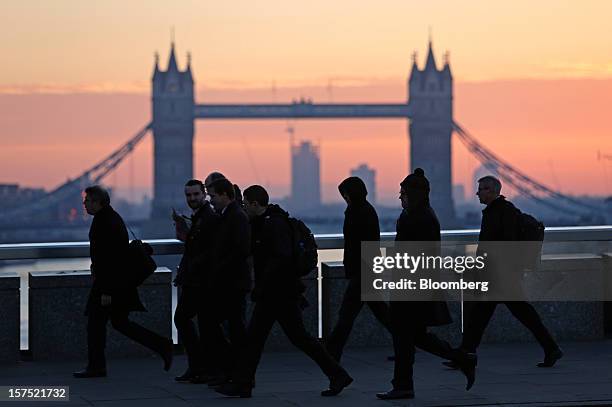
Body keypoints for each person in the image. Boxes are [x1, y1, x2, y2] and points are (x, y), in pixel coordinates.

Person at [216, 185, 353, 398]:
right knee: (288, 338)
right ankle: (337, 374)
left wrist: (261, 285)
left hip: (278, 293)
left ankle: (243, 383)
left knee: (264, 338)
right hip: (276, 293)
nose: (243, 207)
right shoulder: (263, 223)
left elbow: (280, 258)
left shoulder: (274, 224)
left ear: (254, 204)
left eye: (245, 203)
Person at [376, 169, 475, 400]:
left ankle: (403, 385)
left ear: (414, 195)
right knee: (415, 336)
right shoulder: (420, 215)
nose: (400, 197)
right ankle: (462, 359)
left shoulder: (419, 218)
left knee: (403, 336)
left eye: (404, 193)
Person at [450, 176, 563, 368]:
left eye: (482, 189)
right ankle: (466, 353)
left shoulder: (503, 211)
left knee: (495, 315)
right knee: (489, 315)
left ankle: (466, 354)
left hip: (500, 276)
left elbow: (506, 244)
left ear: (493, 191)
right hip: (499, 275)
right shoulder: (495, 211)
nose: (478, 193)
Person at [73, 185, 173, 378]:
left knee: (95, 324)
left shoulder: (104, 222)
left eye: (87, 200)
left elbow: (110, 260)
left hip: (110, 284)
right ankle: (162, 345)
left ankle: (97, 366)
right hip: (117, 283)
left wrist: (106, 291)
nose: (84, 204)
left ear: (97, 202)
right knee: (119, 323)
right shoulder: (110, 217)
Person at [325, 176, 392, 362]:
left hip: (362, 272)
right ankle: (407, 343)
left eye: (345, 195)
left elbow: (356, 244)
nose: (344, 198)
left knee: (346, 316)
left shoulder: (358, 212)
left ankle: (331, 352)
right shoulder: (364, 210)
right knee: (381, 313)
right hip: (366, 270)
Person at [204, 178, 252, 384]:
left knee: (232, 329)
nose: (210, 200)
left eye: (212, 196)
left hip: (232, 283)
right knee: (231, 328)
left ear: (225, 195)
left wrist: (218, 267)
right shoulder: (228, 215)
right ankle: (235, 374)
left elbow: (239, 250)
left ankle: (238, 375)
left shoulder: (236, 217)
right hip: (230, 282)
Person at [172, 179, 220, 382]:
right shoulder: (200, 216)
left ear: (204, 194)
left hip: (201, 281)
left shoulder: (208, 218)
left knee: (184, 319)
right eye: (188, 195)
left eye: (195, 194)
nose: (192, 198)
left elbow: (208, 251)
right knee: (203, 325)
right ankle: (201, 367)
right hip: (196, 279)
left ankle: (200, 367)